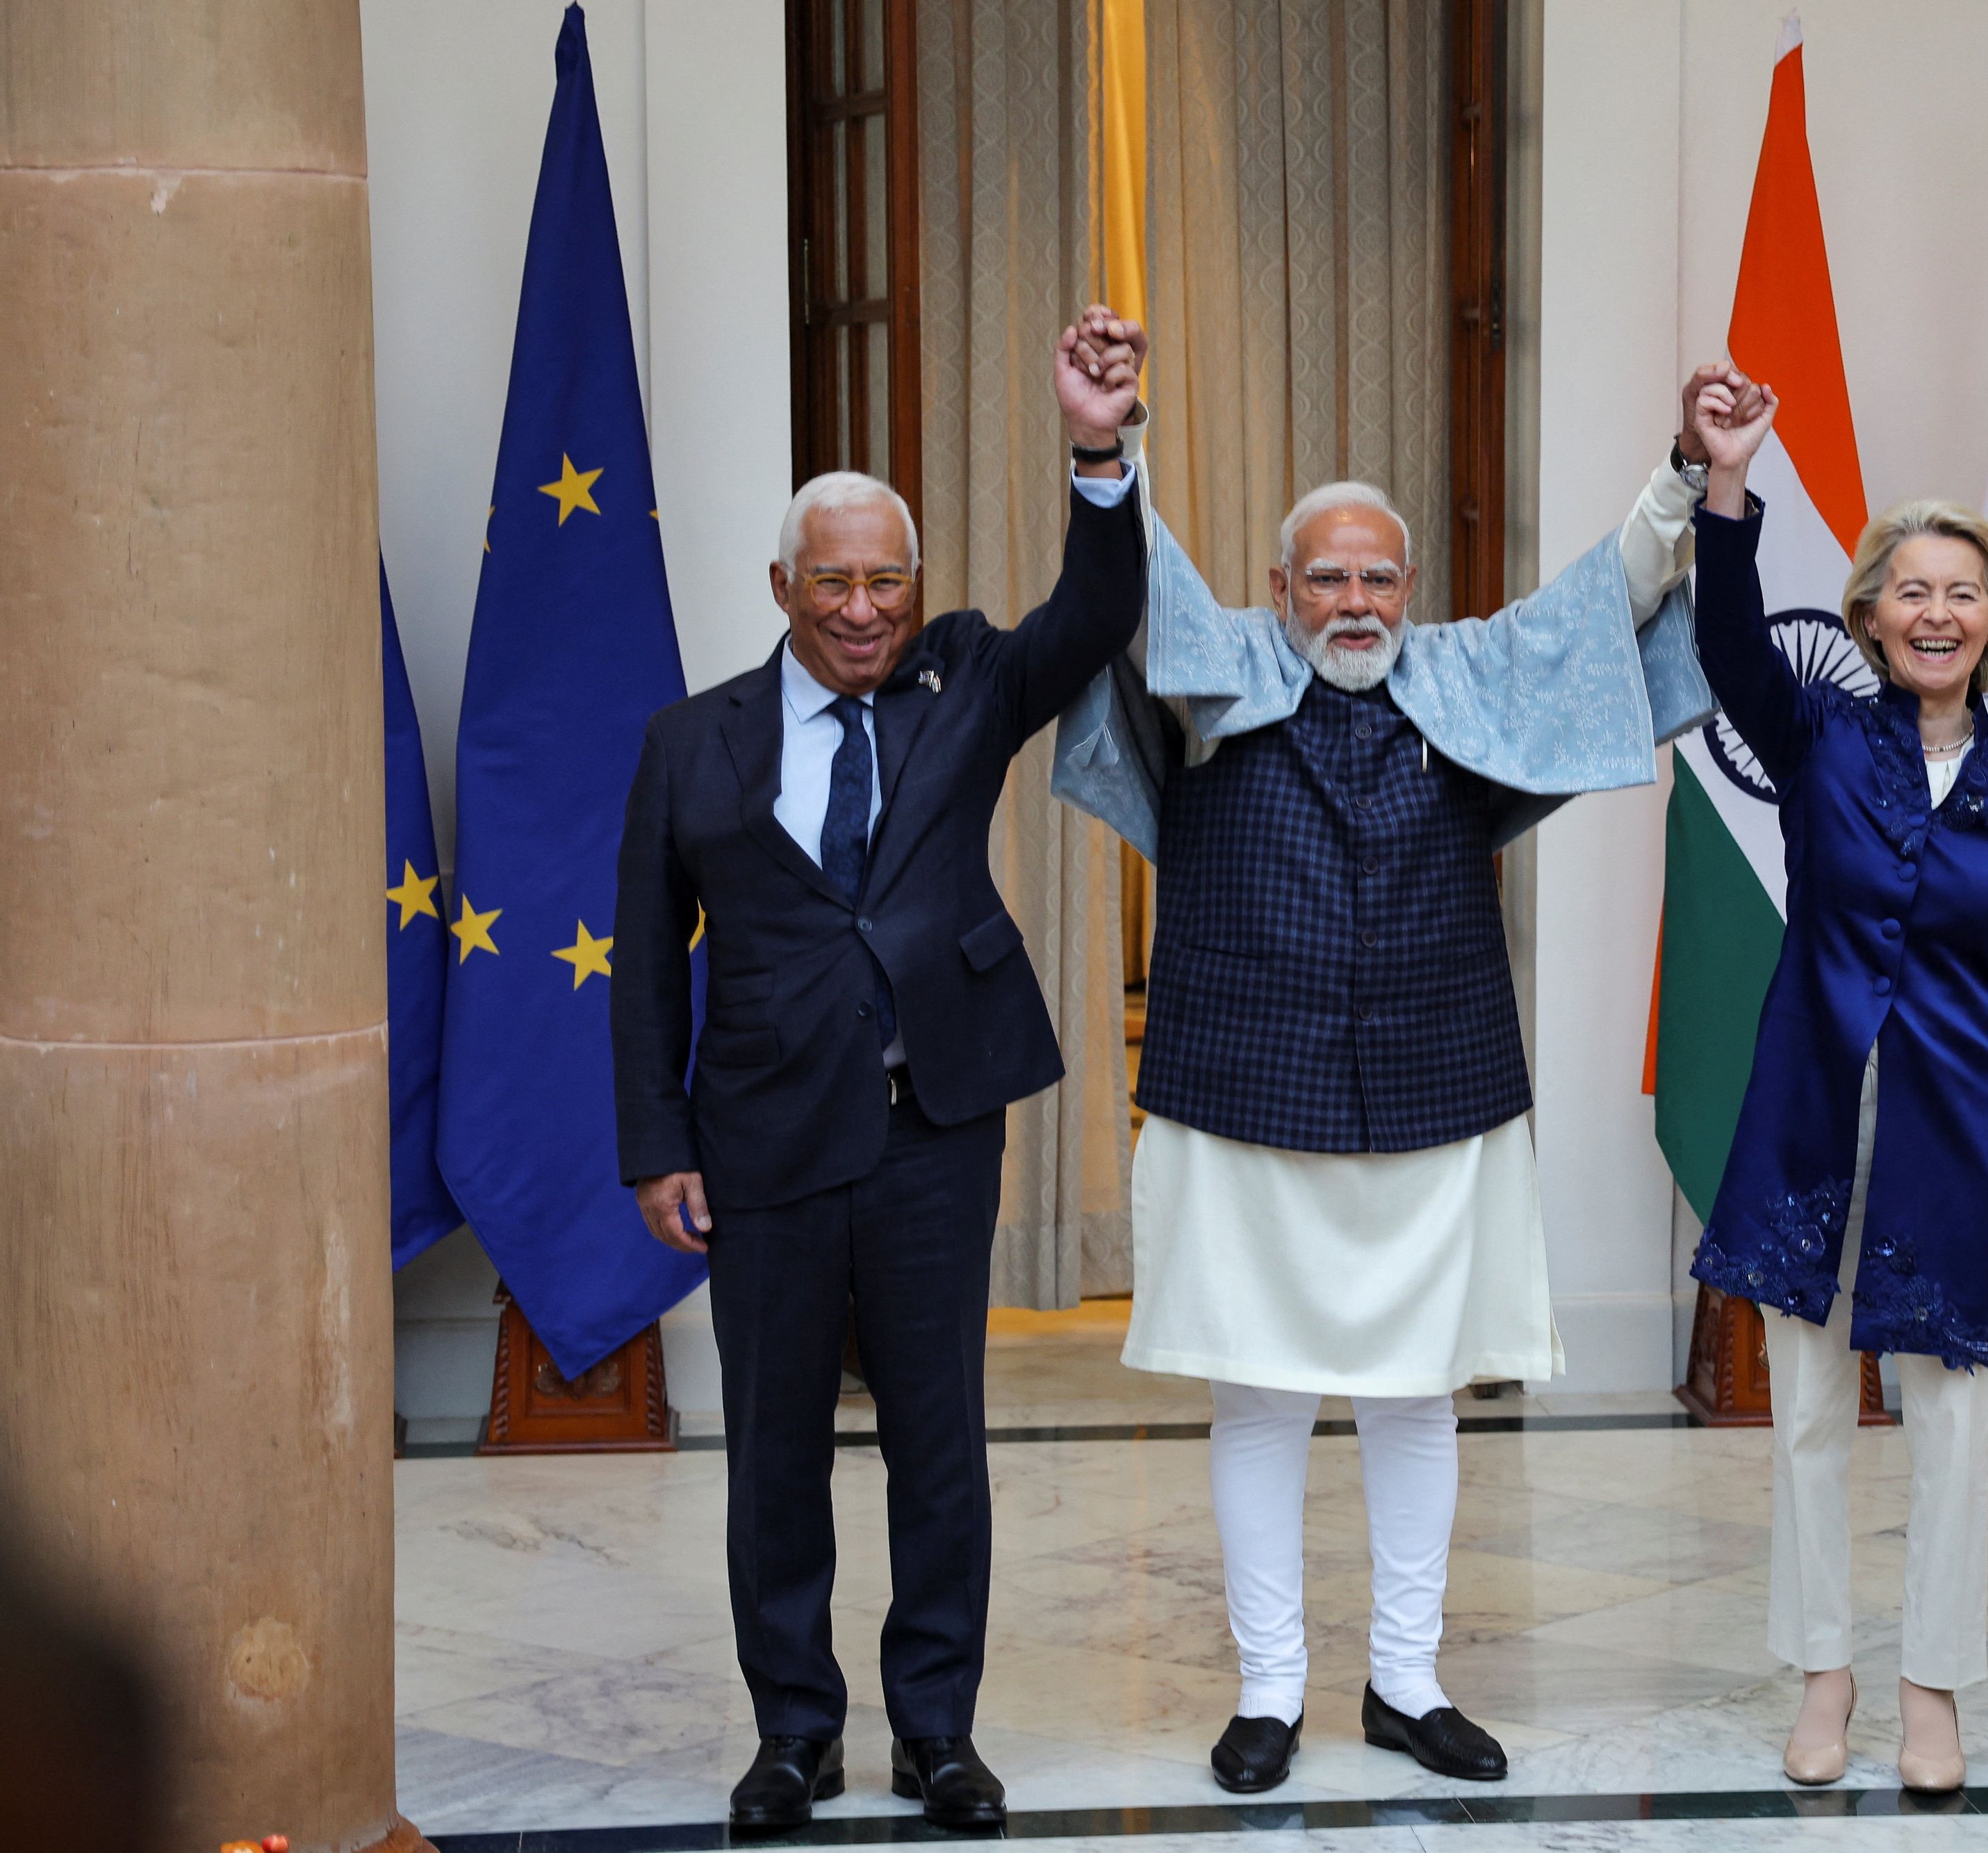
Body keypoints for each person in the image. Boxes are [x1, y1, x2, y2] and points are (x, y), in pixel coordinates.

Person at [1051, 335, 1725, 1795]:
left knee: (1419, 1393)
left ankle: (1406, 1682)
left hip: (1439, 1089)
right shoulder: (1218, 664)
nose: (1351, 601)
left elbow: (1599, 607)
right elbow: (1135, 582)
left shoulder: (1471, 676)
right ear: (1282, 589)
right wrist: (1106, 455)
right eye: (1324, 578)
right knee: (1259, 1394)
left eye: (1376, 578)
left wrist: (1681, 479)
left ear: (1404, 593)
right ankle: (1269, 1692)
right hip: (1241, 1089)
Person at [609, 312, 1148, 1829]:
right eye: (832, 580)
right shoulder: (689, 742)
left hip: (932, 1130)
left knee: (937, 1444)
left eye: (886, 578)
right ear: (781, 586)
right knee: (773, 1455)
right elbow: (648, 956)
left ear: (917, 585)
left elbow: (1096, 611)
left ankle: (934, 1734)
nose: (862, 607)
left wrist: (1096, 444)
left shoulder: (965, 679)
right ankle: (793, 1734)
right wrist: (656, 1144)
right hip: (760, 1137)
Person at [1679, 373, 1988, 1792]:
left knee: (1950, 1424)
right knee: (1801, 1410)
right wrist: (1724, 486)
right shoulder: (1819, 742)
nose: (1932, 611)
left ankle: (1929, 1688)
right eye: (1906, 588)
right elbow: (1728, 647)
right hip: (1809, 1115)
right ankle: (1823, 1673)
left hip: (1959, 1123)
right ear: (1865, 618)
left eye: (1959, 591)